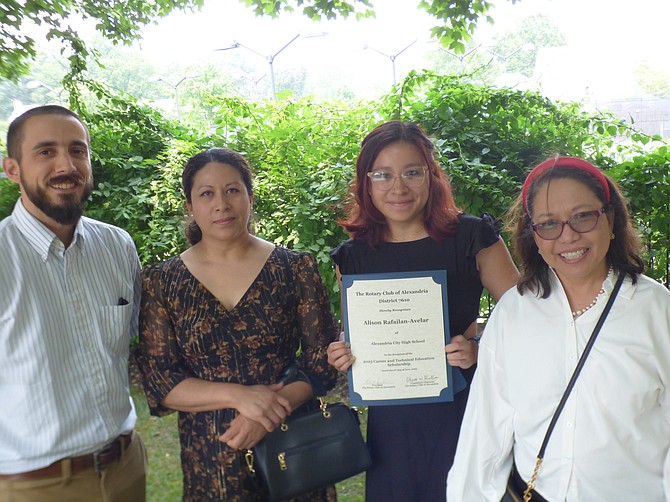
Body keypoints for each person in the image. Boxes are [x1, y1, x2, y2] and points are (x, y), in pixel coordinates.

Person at [447, 156, 670, 501]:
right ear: (533, 235)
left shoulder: (656, 309)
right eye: (549, 224)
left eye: (583, 217)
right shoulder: (513, 313)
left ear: (610, 220)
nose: (568, 236)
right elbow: (487, 427)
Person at [326, 121, 519, 500]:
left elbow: (526, 319)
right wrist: (344, 350)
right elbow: (361, 331)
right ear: (366, 183)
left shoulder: (472, 238)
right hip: (392, 420)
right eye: (382, 175)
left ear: (431, 176)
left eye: (412, 172)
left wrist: (479, 347)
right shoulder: (354, 257)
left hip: (464, 409)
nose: (398, 187)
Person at [137, 147, 339, 501]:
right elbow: (160, 379)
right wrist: (240, 397)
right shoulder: (162, 281)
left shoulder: (294, 269)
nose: (221, 204)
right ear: (190, 206)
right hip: (211, 457)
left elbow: (321, 360)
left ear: (250, 196)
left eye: (232, 190)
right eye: (206, 193)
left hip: (293, 446)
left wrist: (268, 414)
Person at [0, 105, 146, 500]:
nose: (66, 165)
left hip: (126, 469)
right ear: (12, 169)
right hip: (36, 486)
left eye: (77, 150)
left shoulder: (118, 246)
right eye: (45, 152)